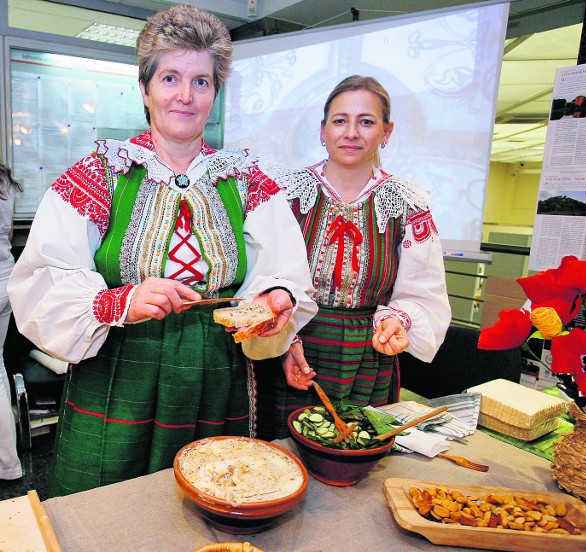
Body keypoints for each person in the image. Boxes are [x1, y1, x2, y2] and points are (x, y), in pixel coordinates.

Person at [8, 4, 316, 497]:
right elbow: (42, 277)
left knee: (216, 498)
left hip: (218, 370)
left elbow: (284, 270)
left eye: (202, 82)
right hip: (119, 370)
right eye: (170, 77)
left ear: (215, 94)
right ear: (145, 88)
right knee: (112, 510)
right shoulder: (100, 174)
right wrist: (120, 302)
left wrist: (275, 299)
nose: (185, 95)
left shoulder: (247, 179)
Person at [257, 75, 451, 439]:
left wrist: (399, 321)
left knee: (359, 455)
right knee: (282, 454)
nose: (351, 133)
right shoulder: (284, 196)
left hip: (367, 356)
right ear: (323, 129)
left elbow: (422, 293)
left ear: (386, 132)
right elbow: (262, 278)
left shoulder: (408, 205)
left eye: (366, 121)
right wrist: (283, 340)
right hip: (293, 346)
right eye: (340, 120)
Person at [0, 162, 23, 481]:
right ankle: (9, 464)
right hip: (6, 279)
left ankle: (8, 464)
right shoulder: (4, 180)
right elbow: (8, 234)